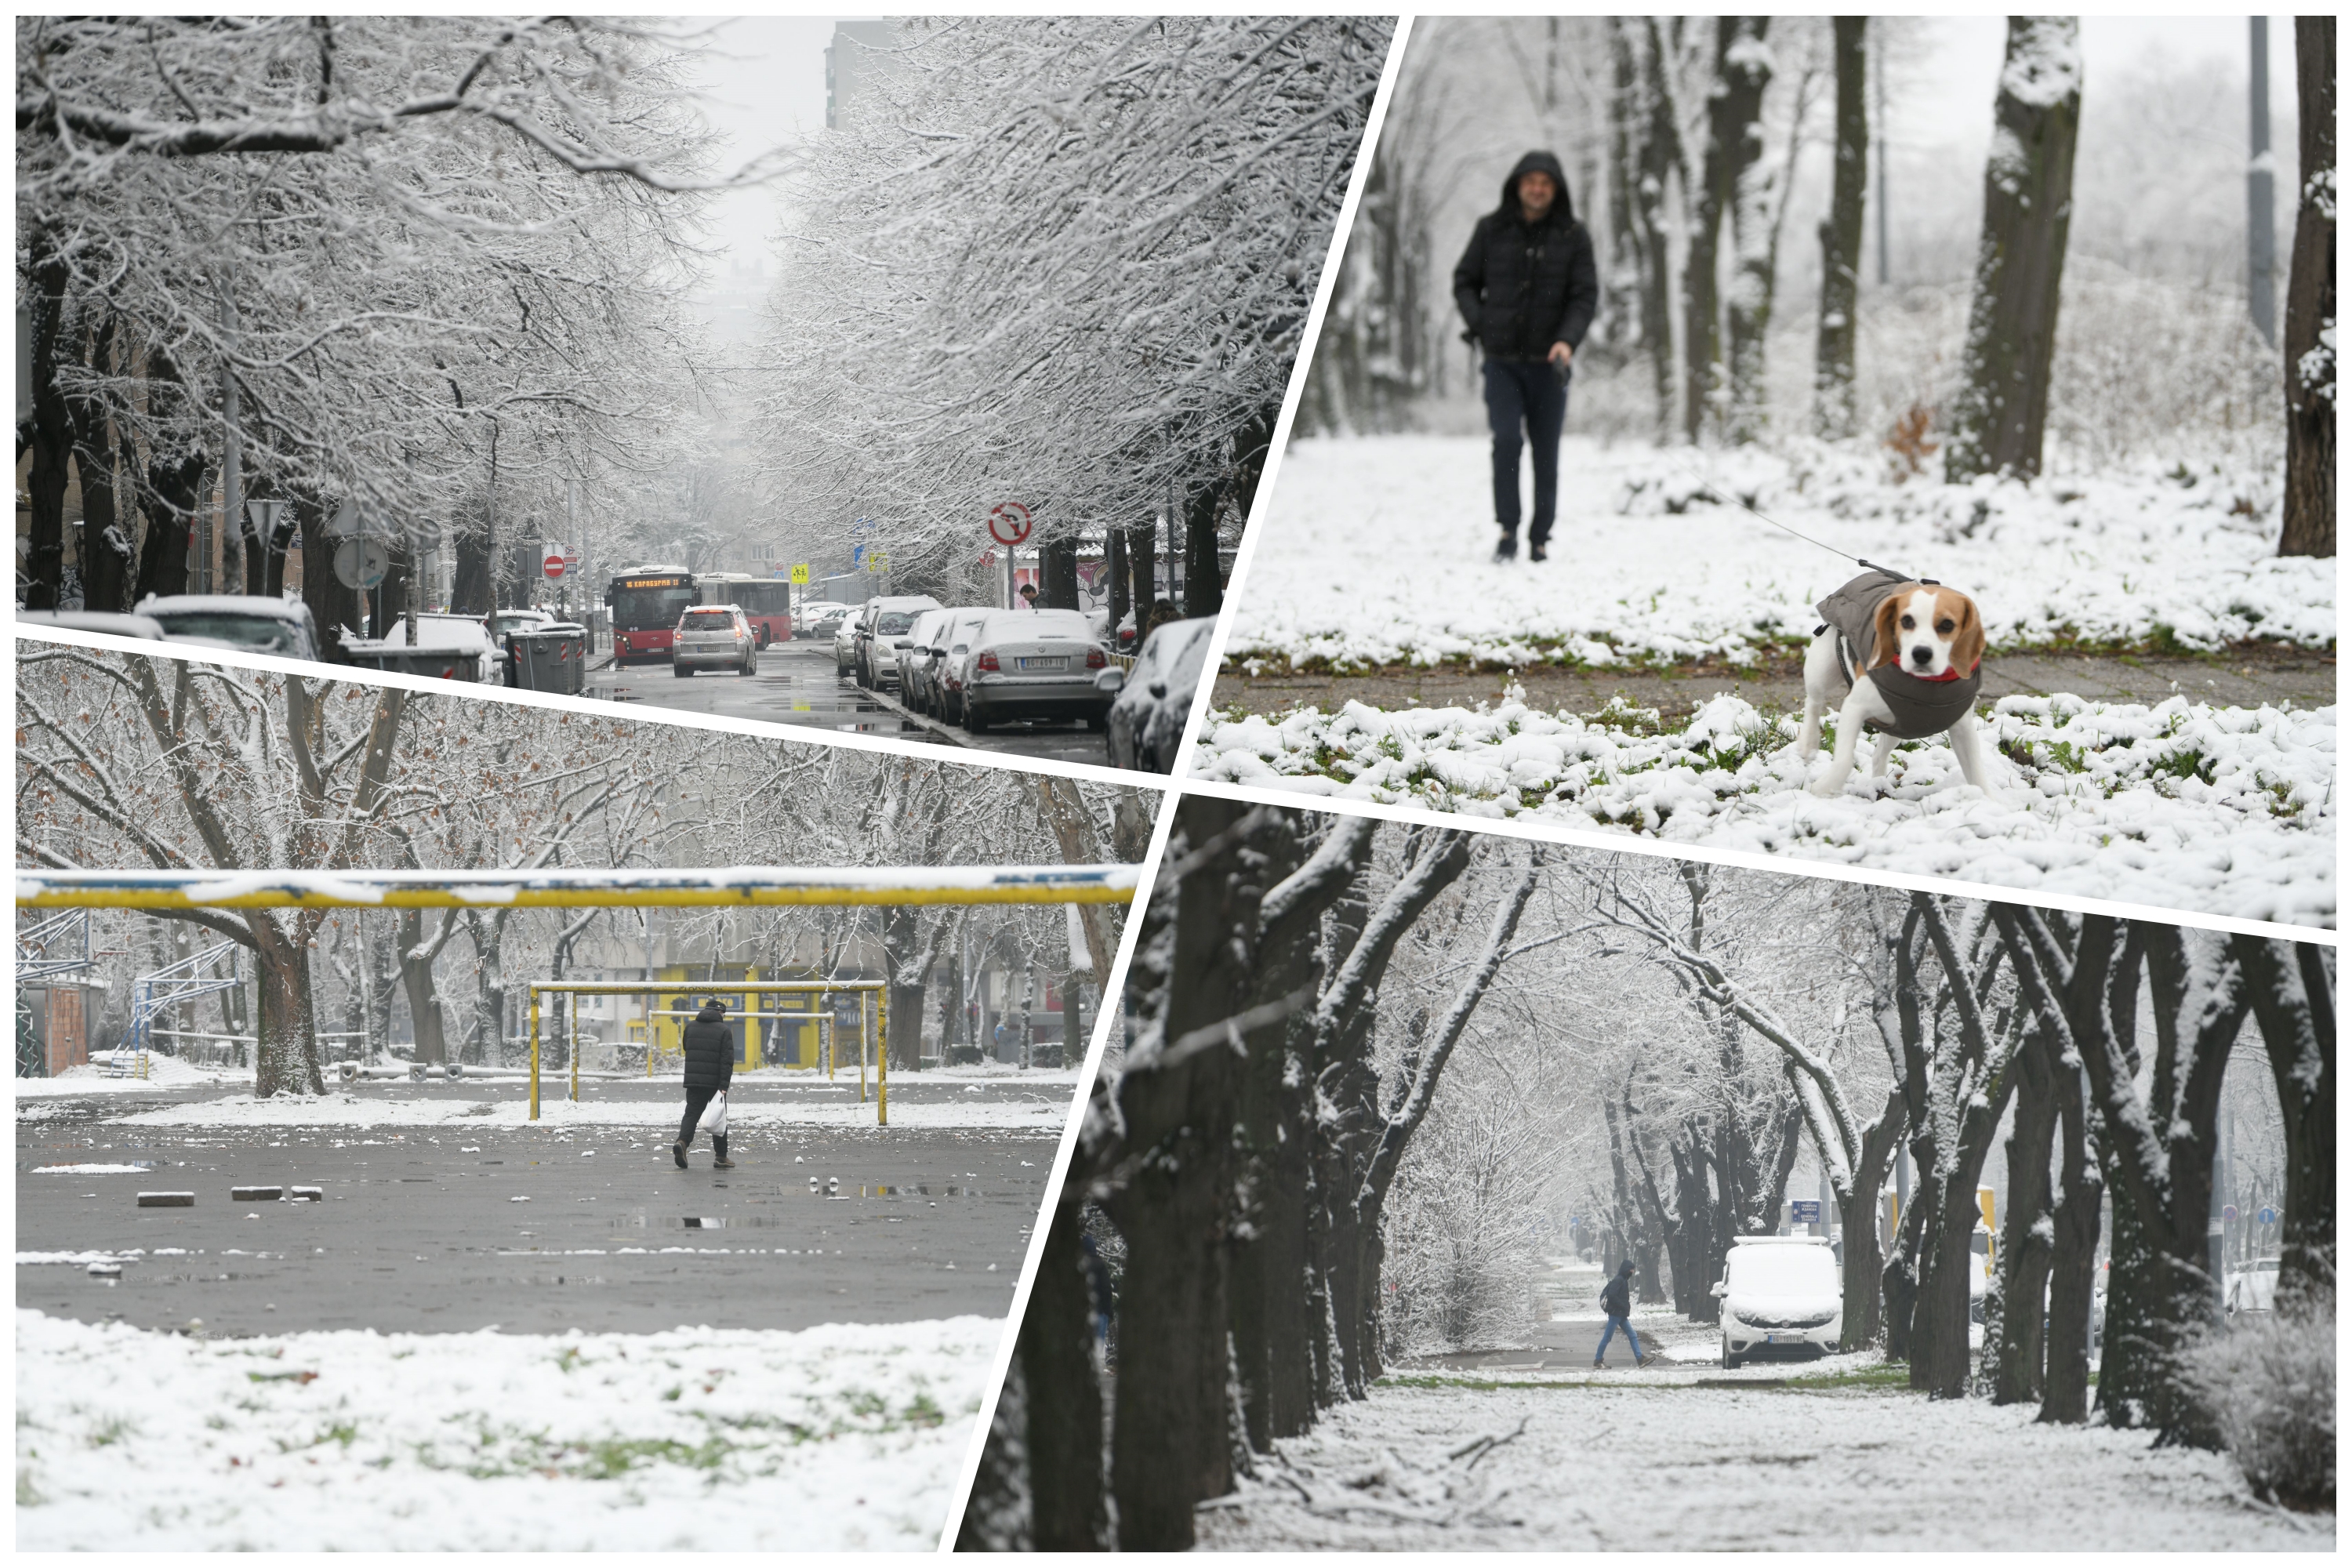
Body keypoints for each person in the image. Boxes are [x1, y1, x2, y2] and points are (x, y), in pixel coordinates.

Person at [1452, 151, 1599, 565]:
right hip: (1501, 360)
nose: (1537, 189)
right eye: (1531, 181)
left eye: (1546, 183)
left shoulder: (1573, 236)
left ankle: (1540, 537)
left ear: (1556, 190)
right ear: (1517, 185)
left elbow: (1585, 296)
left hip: (1551, 363)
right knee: (1507, 440)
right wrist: (1481, 324)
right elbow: (1464, 281)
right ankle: (1507, 530)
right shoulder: (1491, 231)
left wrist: (1567, 342)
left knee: (1546, 450)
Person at [673, 997, 735, 1171]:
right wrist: (724, 1086)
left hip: (694, 1081)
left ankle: (682, 1143)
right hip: (715, 1084)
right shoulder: (724, 1031)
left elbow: (687, 1047)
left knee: (691, 1114)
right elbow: (727, 1061)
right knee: (718, 1116)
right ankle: (721, 1157)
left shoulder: (690, 1027)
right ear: (720, 1013)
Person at [1595, 1258, 1648, 1368]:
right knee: (1607, 1337)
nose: (1632, 1272)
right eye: (1631, 1269)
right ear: (1626, 1269)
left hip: (1621, 1315)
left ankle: (1640, 1359)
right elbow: (1611, 1296)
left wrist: (1624, 1308)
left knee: (1632, 1335)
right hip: (1616, 1314)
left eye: (1633, 1269)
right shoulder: (1618, 1280)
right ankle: (1598, 1360)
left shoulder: (1623, 1280)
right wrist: (1623, 1305)